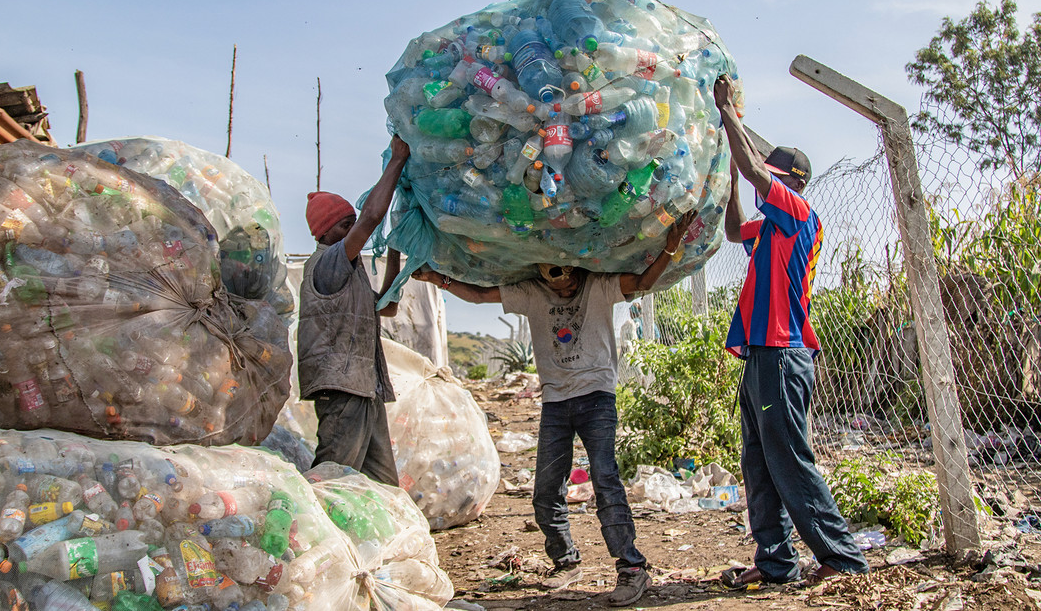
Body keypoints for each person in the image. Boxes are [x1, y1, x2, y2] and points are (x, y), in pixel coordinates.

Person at [415, 212, 696, 607]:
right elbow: (479, 295)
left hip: (597, 397)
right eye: (554, 281)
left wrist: (671, 244)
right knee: (546, 489)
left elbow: (644, 282)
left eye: (567, 280)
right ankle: (565, 561)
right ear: (543, 276)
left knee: (605, 479)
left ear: (578, 270)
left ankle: (631, 569)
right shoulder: (531, 292)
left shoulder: (599, 286)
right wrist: (438, 279)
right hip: (555, 402)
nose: (563, 289)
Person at [713, 74, 869, 588]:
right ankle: (776, 564)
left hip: (784, 351)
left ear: (794, 183)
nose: (767, 183)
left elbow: (757, 168)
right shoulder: (772, 225)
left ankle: (843, 557)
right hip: (762, 354)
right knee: (758, 462)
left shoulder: (798, 213)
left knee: (789, 457)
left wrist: (728, 115)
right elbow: (736, 230)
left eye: (776, 178)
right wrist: (733, 181)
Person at [296, 135, 410, 486]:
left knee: (383, 484)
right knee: (332, 480)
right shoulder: (327, 263)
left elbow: (386, 307)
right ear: (324, 233)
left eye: (351, 224)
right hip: (342, 388)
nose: (353, 232)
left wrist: (396, 249)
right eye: (345, 226)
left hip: (364, 387)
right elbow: (373, 216)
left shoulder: (352, 273)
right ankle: (314, 538)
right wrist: (397, 160)